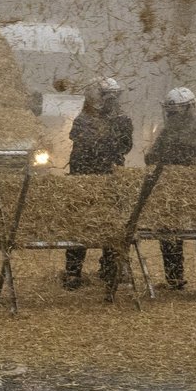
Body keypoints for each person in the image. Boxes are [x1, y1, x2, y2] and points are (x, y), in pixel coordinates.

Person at [145, 87, 196, 296]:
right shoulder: (167, 132)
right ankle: (174, 278)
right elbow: (151, 158)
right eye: (170, 111)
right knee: (169, 231)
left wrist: (175, 149)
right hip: (172, 190)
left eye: (176, 111)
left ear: (189, 108)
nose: (172, 116)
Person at [61, 78, 133, 290]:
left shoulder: (103, 119)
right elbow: (121, 147)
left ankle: (90, 270)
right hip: (95, 179)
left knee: (100, 224)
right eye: (110, 97)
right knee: (93, 223)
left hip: (98, 178)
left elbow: (123, 147)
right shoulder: (93, 119)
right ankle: (84, 270)